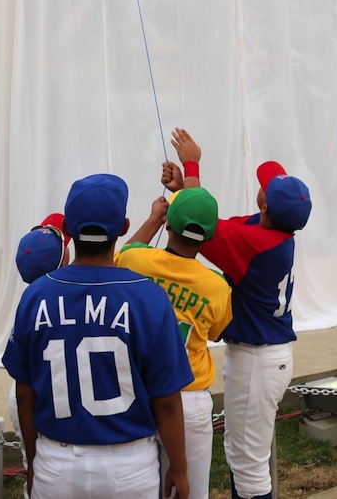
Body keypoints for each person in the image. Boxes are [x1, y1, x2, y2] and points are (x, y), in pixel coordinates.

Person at [2, 173, 193, 499]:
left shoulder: (37, 295)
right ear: (122, 227)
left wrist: (33, 460)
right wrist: (179, 466)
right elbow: (167, 401)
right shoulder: (149, 296)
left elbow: (25, 391)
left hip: (57, 461)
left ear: (70, 229)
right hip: (129, 466)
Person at [162, 128, 312, 499]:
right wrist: (183, 190)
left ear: (265, 209)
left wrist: (192, 163)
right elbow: (209, 221)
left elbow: (203, 230)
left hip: (257, 359)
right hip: (261, 356)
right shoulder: (270, 231)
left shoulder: (259, 243)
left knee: (247, 465)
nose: (262, 185)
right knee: (244, 458)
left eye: (266, 188)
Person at [115, 187, 232, 499]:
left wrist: (154, 217)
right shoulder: (217, 286)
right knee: (189, 492)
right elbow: (216, 333)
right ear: (208, 239)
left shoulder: (135, 260)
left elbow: (121, 257)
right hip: (188, 398)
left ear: (168, 224)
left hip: (136, 394)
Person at [8, 214, 72, 499]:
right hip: (56, 394)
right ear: (62, 261)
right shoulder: (75, 295)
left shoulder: (28, 303)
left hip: (24, 394)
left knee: (35, 468)